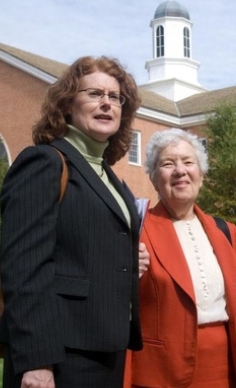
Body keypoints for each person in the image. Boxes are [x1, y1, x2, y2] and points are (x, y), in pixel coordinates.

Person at [0, 55, 144, 387]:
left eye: (114, 97)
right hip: (60, 353)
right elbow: (24, 269)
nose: (106, 103)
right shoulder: (45, 163)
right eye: (94, 94)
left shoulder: (111, 179)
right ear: (67, 105)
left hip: (107, 349)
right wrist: (37, 361)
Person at [127, 129, 236, 388]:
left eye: (188, 162)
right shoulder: (136, 230)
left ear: (202, 175)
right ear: (153, 178)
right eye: (167, 163)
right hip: (161, 374)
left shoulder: (225, 231)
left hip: (222, 369)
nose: (180, 171)